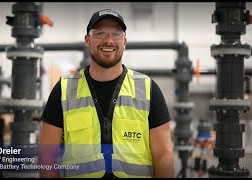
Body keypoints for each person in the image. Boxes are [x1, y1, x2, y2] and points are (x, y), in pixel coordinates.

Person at [38, 8, 174, 178]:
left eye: (116, 34)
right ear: (87, 40)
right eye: (100, 33)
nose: (108, 40)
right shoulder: (64, 89)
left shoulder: (147, 89)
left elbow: (164, 157)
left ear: (124, 41)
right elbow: (46, 157)